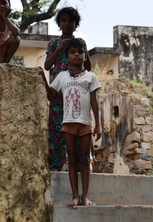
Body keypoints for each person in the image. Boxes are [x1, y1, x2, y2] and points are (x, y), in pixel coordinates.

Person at [39, 38, 102, 208]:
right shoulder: (61, 76)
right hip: (68, 123)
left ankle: (85, 197)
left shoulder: (91, 77)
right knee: (72, 159)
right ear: (67, 56)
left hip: (86, 123)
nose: (77, 55)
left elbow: (95, 102)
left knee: (85, 159)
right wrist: (44, 80)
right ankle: (75, 196)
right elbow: (51, 96)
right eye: (73, 52)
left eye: (80, 52)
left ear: (85, 55)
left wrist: (98, 125)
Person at [44, 7, 91, 171]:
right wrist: (59, 49)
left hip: (76, 95)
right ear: (59, 23)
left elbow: (88, 68)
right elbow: (47, 65)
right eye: (63, 20)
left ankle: (78, 167)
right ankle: (55, 167)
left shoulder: (80, 43)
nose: (67, 23)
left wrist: (84, 52)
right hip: (57, 95)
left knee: (77, 130)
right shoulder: (54, 43)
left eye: (70, 20)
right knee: (56, 131)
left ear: (75, 23)